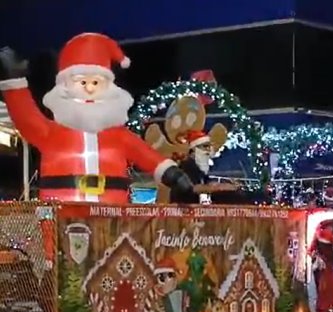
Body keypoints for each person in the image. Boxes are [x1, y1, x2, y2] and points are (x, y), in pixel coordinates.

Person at [0, 35, 193, 203]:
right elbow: (27, 119)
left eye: (96, 82)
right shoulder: (51, 133)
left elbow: (145, 155)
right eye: (82, 82)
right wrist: (14, 83)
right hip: (61, 212)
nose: (90, 89)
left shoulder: (119, 136)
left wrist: (173, 175)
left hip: (112, 215)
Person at [169, 130, 238, 203]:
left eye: (209, 146)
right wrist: (219, 188)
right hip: (181, 209)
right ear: (194, 149)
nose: (208, 150)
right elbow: (194, 188)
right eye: (205, 146)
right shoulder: (187, 165)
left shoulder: (199, 169)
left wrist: (227, 185)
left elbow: (207, 184)